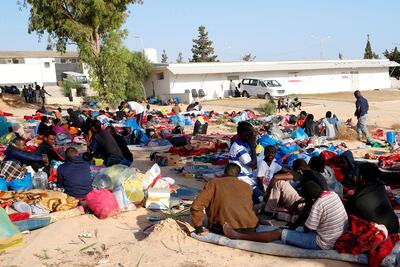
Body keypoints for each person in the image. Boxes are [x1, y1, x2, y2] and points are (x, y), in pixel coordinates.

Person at [224, 180, 348, 250]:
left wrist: (291, 227)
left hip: (323, 243)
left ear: (309, 198)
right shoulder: (332, 195)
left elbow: (307, 229)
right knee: (290, 226)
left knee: (279, 232)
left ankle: (238, 236)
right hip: (337, 235)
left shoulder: (317, 205)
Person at [191, 163, 258, 235]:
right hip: (251, 228)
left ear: (224, 172)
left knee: (208, 201)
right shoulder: (247, 186)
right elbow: (250, 207)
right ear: (238, 175)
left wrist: (199, 229)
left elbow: (196, 206)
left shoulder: (214, 183)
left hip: (225, 229)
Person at [346, 162, 399, 234]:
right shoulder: (380, 187)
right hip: (394, 227)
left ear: (361, 177)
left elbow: (347, 216)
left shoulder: (356, 199)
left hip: (382, 234)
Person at [229, 121, 261, 203]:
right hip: (243, 180)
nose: (252, 135)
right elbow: (253, 165)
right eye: (250, 133)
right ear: (244, 134)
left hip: (249, 178)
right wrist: (252, 145)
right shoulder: (238, 148)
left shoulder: (243, 144)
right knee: (261, 199)